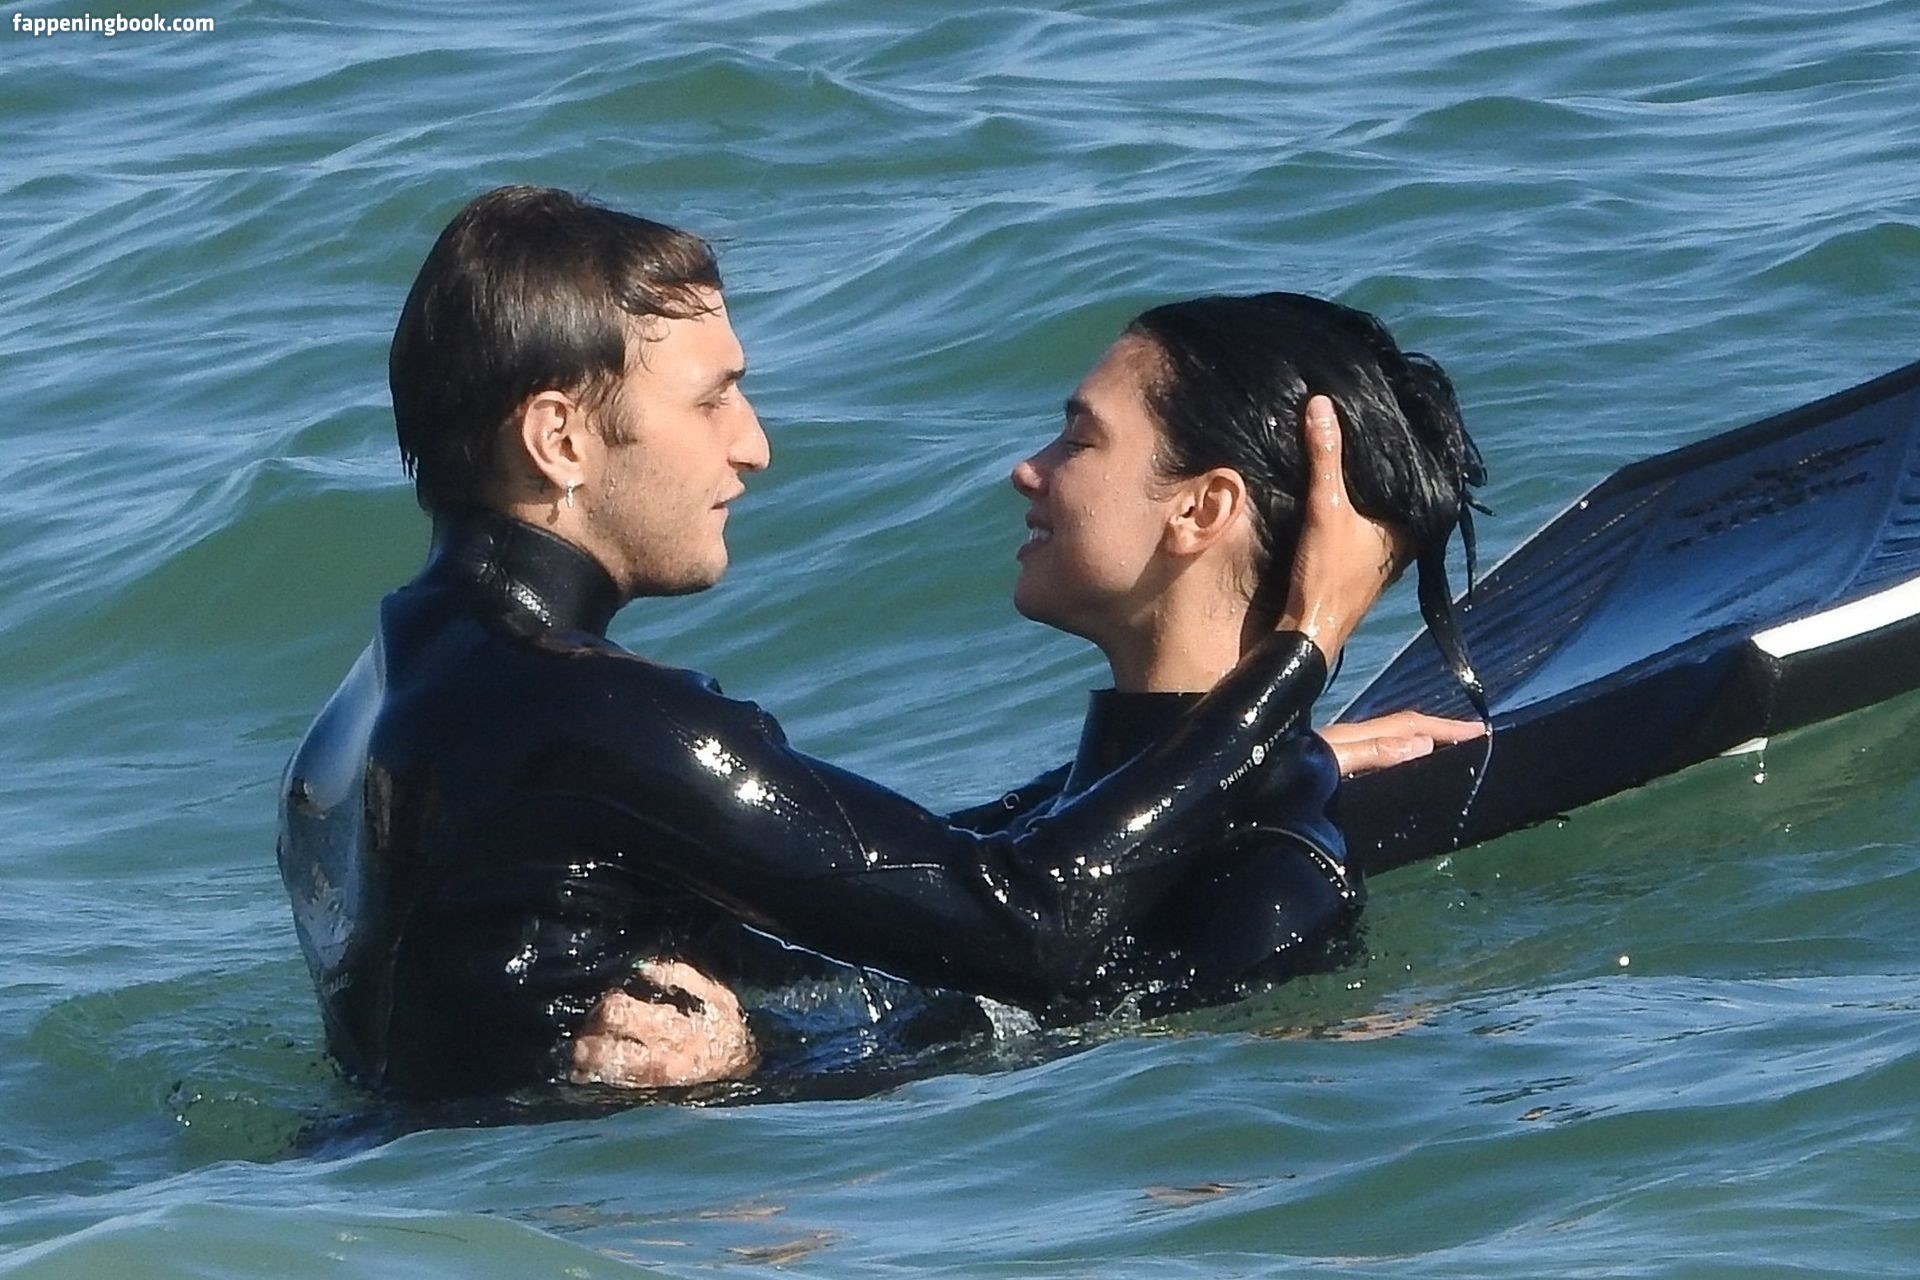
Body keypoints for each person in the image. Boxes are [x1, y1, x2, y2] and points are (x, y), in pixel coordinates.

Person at [276, 186, 1415, 1099]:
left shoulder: (376, 701)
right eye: (713, 399)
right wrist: (1299, 655)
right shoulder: (596, 717)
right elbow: (1030, 925)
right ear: (560, 437)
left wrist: (1217, 755)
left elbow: (861, 880)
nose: (754, 445)